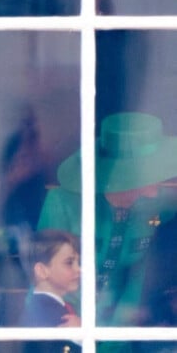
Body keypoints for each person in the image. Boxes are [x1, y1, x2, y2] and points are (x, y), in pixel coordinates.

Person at [36, 112, 177, 351]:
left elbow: (141, 284)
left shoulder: (160, 207)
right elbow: (44, 281)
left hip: (130, 334)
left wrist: (113, 336)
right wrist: (77, 328)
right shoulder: (63, 204)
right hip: (67, 329)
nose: (155, 189)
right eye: (150, 177)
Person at [19, 229, 81, 353]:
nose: (78, 269)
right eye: (69, 262)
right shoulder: (47, 315)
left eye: (78, 263)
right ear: (42, 271)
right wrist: (80, 338)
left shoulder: (45, 308)